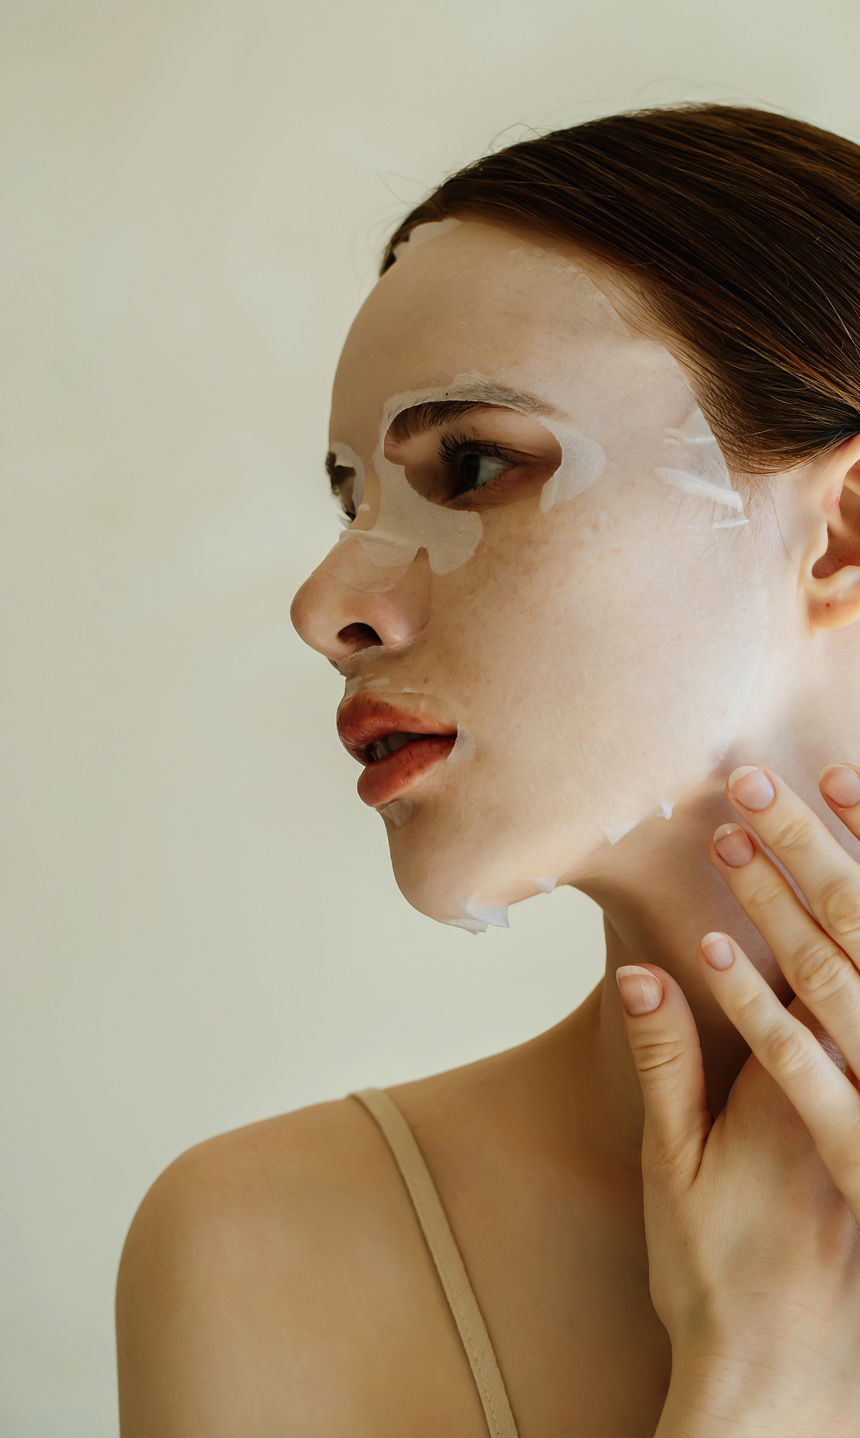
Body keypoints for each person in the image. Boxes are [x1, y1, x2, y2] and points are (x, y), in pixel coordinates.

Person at [116, 105, 860, 1437]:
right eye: (352, 498)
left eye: (469, 464)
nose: (323, 606)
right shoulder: (267, 1250)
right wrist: (761, 1386)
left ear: (842, 531)